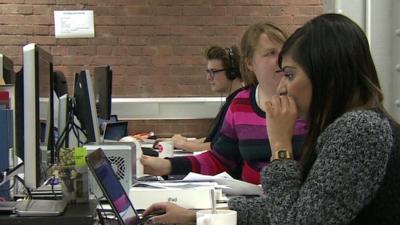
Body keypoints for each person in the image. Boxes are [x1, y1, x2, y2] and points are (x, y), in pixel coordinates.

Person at [143, 13, 400, 225]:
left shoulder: (359, 129)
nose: (281, 88)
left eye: (289, 75)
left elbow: (296, 220)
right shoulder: (347, 125)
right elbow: (295, 207)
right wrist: (196, 217)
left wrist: (280, 146)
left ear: (326, 75)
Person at [141, 22, 308, 185]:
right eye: (270, 53)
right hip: (250, 202)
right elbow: (220, 159)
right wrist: (167, 166)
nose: (280, 58)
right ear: (250, 63)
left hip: (294, 201)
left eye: (283, 51)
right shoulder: (240, 104)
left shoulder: (306, 100)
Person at [169, 45, 244, 152]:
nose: (208, 77)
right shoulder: (232, 101)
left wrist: (183, 144)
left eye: (213, 71)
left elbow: (218, 147)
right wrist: (182, 142)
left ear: (231, 72)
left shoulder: (240, 105)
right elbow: (214, 139)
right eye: (208, 72)